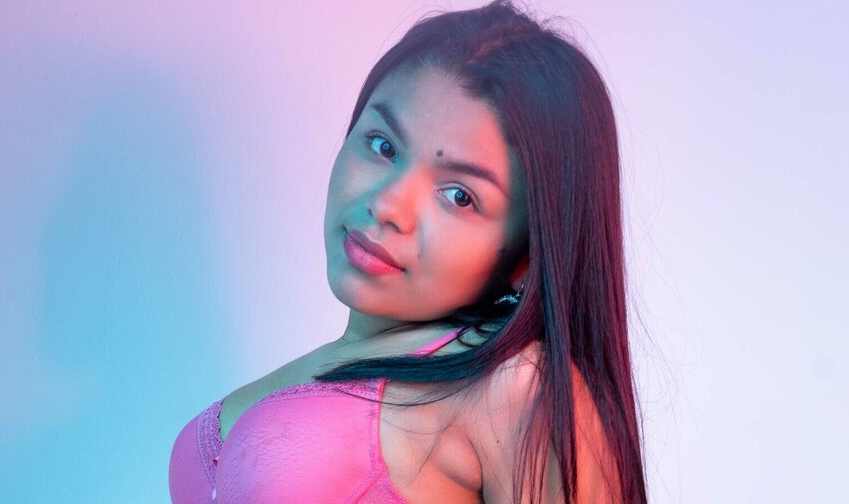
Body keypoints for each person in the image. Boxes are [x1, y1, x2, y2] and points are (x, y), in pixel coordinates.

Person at [169, 1, 647, 502]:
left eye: (459, 196)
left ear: (527, 256)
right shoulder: (328, 366)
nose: (387, 205)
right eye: (383, 146)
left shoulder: (516, 386)